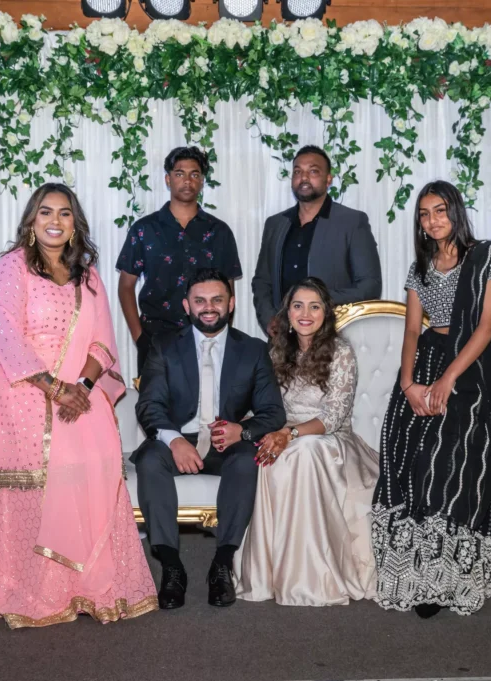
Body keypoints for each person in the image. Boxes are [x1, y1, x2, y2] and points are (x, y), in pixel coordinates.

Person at [0, 183, 157, 628]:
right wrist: (56, 388)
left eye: (65, 213)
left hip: (78, 395)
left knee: (96, 461)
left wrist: (84, 388)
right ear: (31, 221)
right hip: (21, 392)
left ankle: (84, 586)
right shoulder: (11, 268)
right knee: (35, 480)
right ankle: (28, 587)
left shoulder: (88, 275)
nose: (55, 221)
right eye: (45, 212)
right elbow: (8, 336)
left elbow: (103, 340)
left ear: (75, 224)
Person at [372, 180, 491, 619]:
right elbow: (410, 329)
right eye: (424, 213)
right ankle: (419, 571)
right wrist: (408, 384)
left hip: (470, 368)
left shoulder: (487, 256)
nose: (432, 220)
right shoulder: (419, 267)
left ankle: (451, 574)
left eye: (440, 210)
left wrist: (447, 381)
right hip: (425, 362)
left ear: (455, 212)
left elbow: (486, 326)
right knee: (410, 458)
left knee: (450, 467)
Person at [133, 268, 286, 609]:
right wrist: (174, 440)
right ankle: (172, 567)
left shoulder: (253, 350)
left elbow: (273, 412)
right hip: (178, 437)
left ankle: (222, 563)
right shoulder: (163, 346)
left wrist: (242, 432)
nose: (208, 307)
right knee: (148, 461)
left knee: (248, 460)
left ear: (231, 304)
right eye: (200, 300)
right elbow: (149, 405)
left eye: (217, 300)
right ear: (186, 305)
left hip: (227, 440)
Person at [236, 277, 379, 606]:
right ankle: (272, 573)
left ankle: (312, 574)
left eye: (314, 306)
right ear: (287, 312)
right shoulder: (275, 352)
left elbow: (333, 417)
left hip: (330, 442)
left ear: (325, 314)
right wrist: (245, 426)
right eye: (298, 305)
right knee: (268, 451)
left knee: (304, 450)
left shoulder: (341, 353)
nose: (305, 313)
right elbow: (262, 405)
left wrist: (290, 434)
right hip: (282, 433)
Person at [116, 146, 242, 377]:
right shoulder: (144, 229)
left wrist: (222, 336)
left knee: (207, 408)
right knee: (154, 410)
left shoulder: (219, 231)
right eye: (179, 173)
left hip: (207, 339)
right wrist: (139, 337)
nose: (187, 181)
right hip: (155, 339)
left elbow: (228, 293)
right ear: (168, 179)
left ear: (202, 181)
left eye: (194, 174)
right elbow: (125, 287)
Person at [252, 145, 382, 334]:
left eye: (313, 171)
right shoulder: (275, 224)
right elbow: (262, 281)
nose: (304, 178)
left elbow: (370, 285)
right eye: (298, 171)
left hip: (333, 336)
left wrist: (317, 300)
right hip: (284, 338)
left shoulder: (352, 222)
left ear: (328, 179)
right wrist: (269, 319)